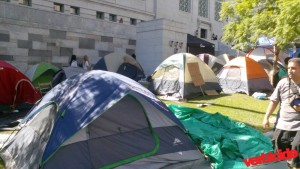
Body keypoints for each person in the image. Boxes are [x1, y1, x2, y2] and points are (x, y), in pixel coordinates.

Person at [263, 58, 300, 169]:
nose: (290, 71)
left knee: (297, 148)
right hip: (282, 125)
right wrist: (266, 117)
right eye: (288, 68)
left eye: (293, 68)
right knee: (280, 153)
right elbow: (274, 101)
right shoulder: (282, 82)